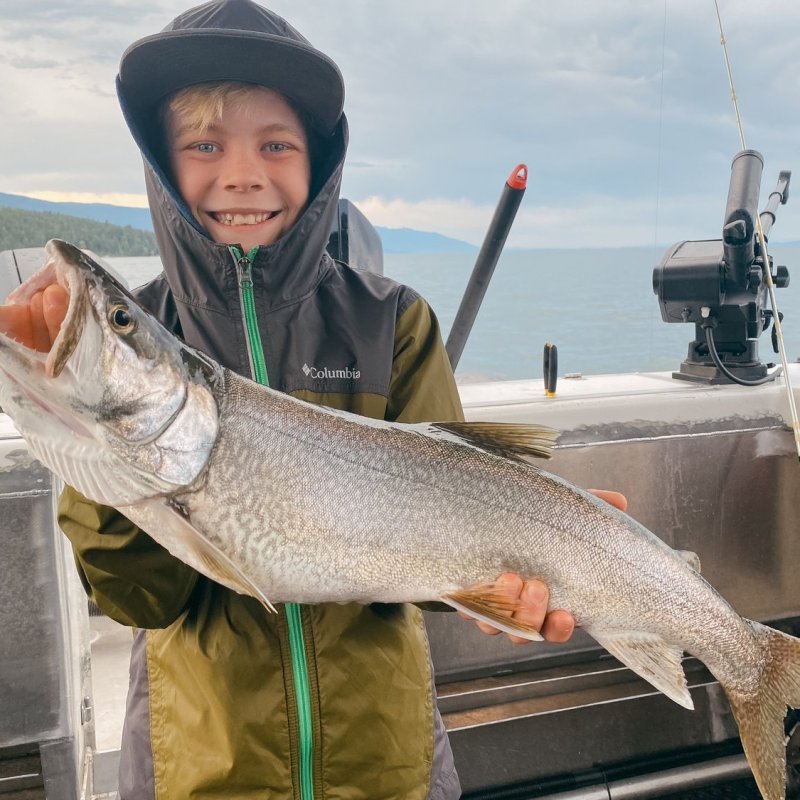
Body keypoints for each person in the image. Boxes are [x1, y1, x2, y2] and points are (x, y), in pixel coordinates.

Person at [0, 2, 627, 797]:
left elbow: (441, 548)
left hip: (385, 764)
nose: (242, 173)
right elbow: (137, 596)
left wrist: (510, 575)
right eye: (203, 144)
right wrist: (96, 442)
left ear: (319, 161)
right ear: (162, 167)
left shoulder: (393, 322)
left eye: (276, 144)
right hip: (201, 766)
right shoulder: (146, 338)